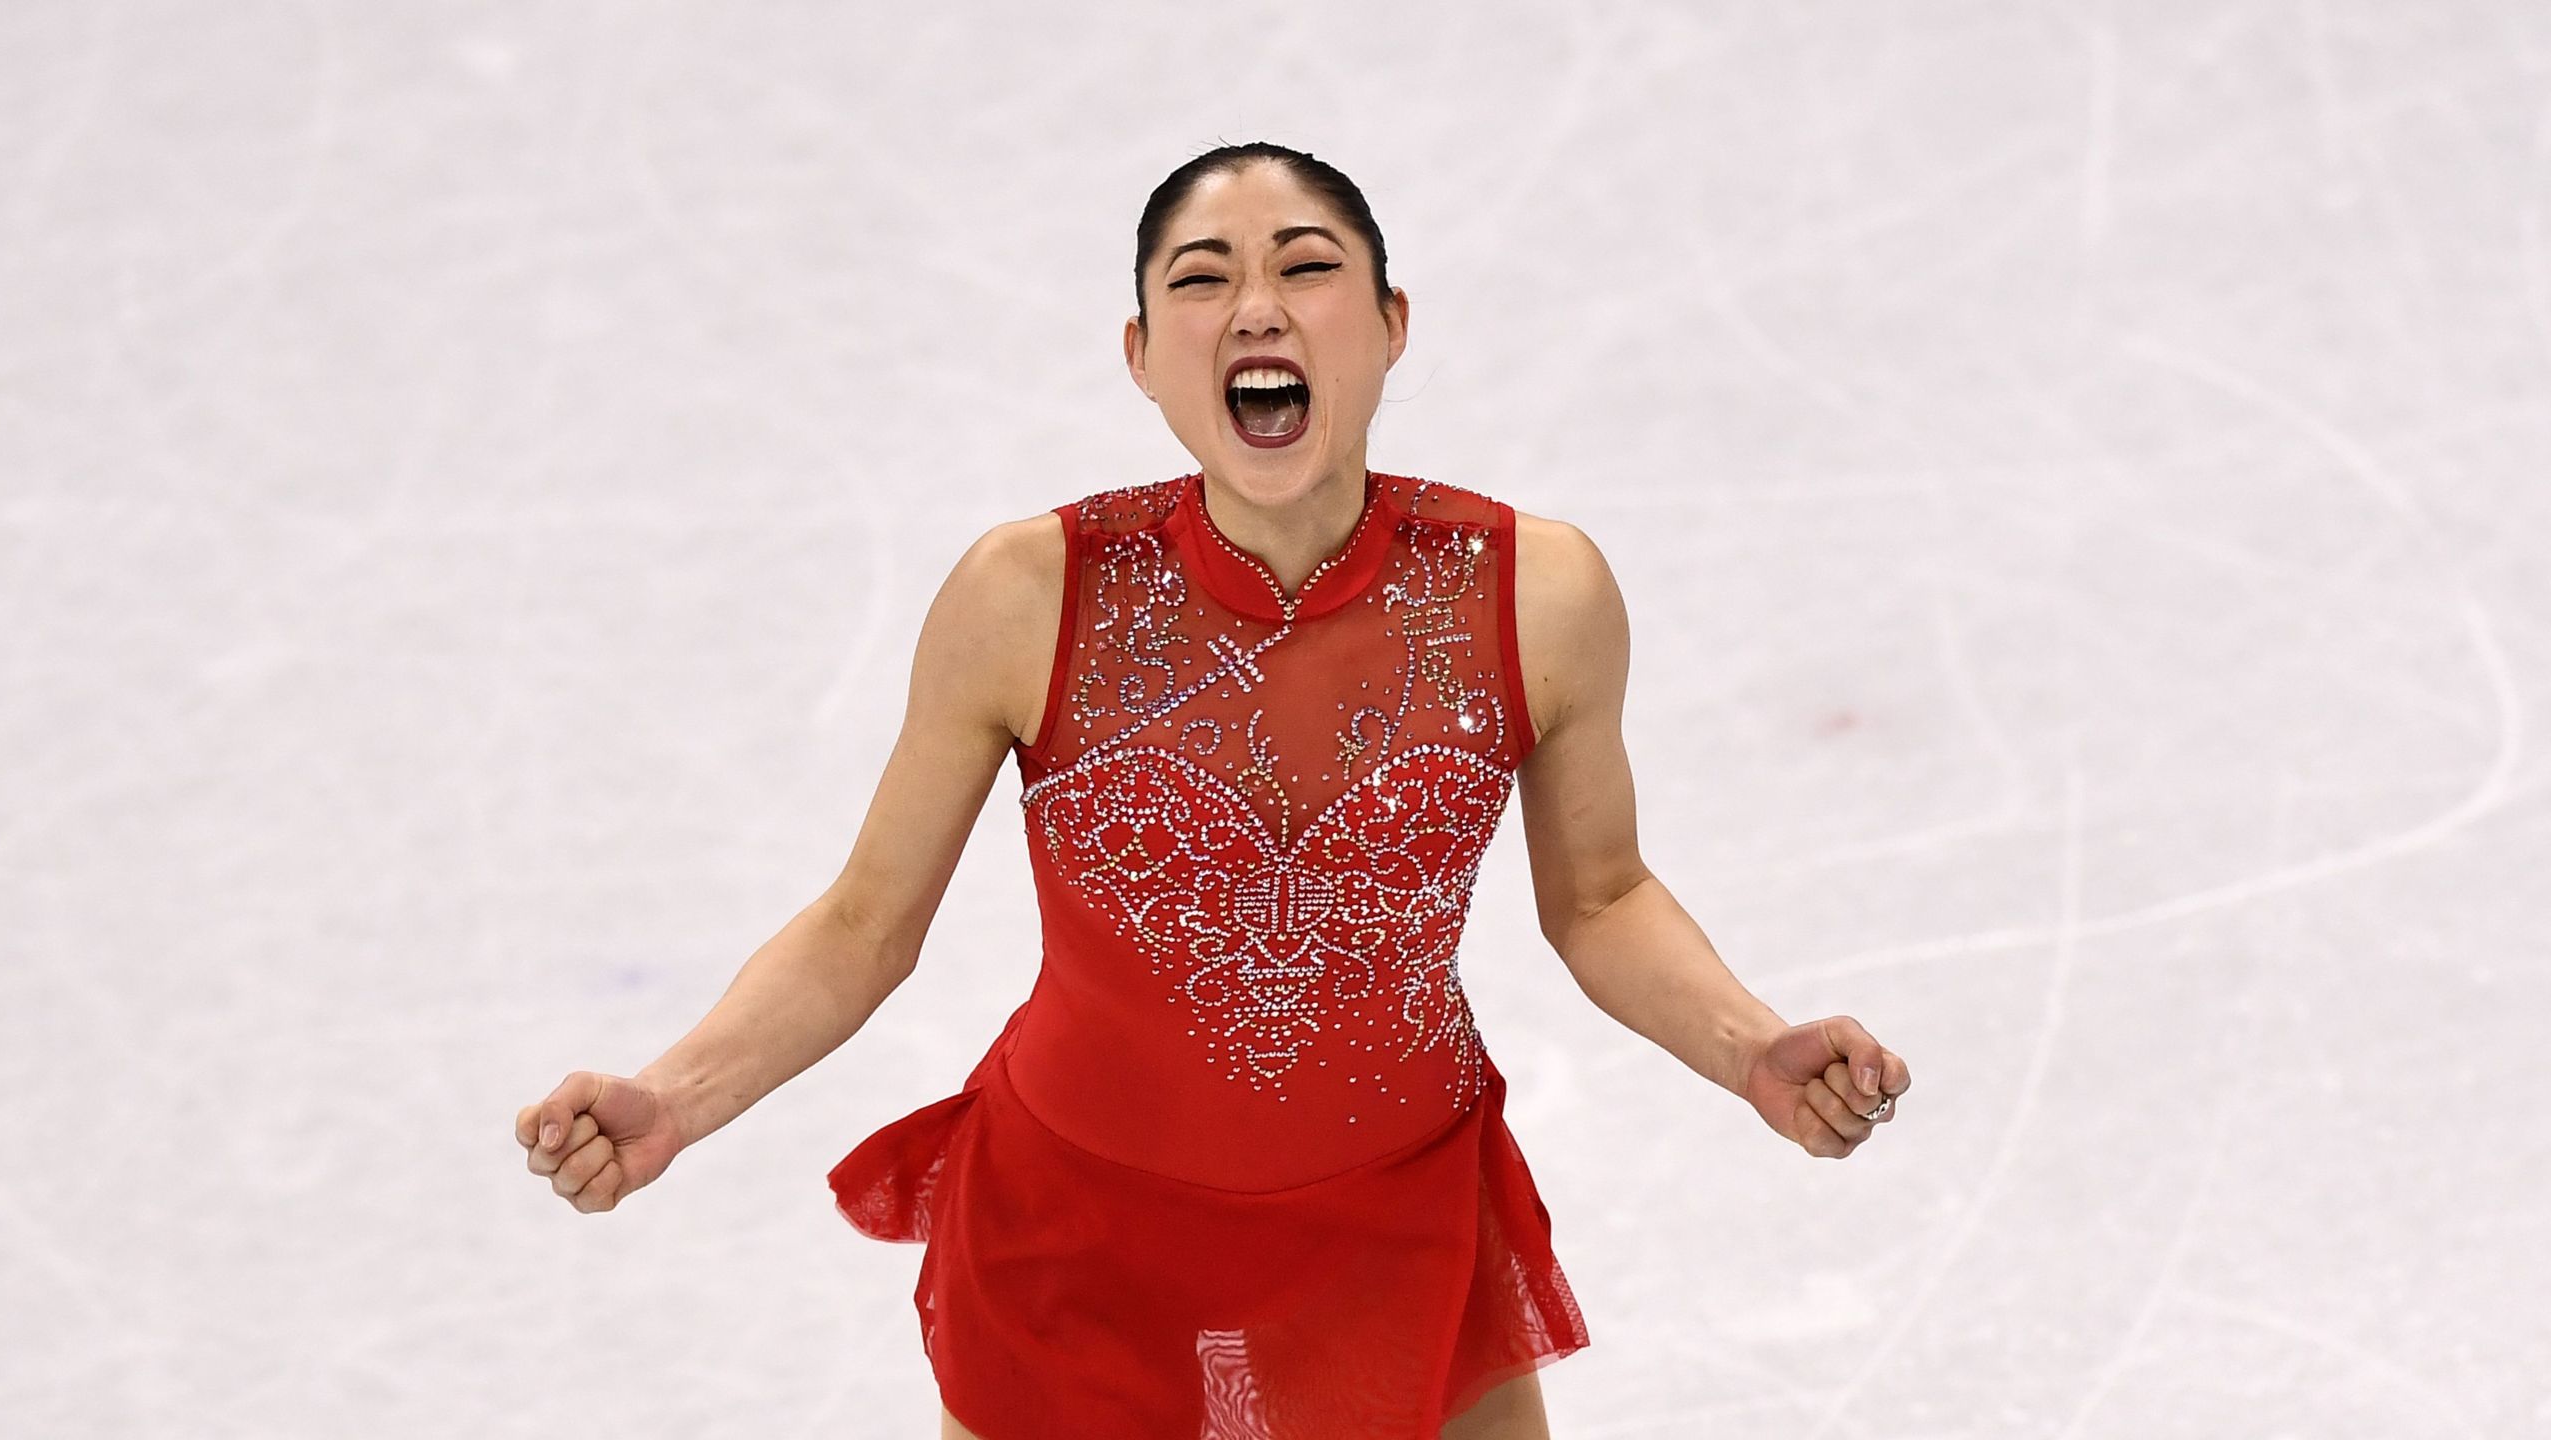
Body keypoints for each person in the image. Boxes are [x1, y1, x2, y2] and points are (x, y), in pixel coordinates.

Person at [514, 141, 1910, 1440]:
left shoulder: (1535, 593)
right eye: (1201, 279)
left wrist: (1749, 1047)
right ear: (1139, 354)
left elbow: (1601, 898)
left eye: (1305, 267)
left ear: (1391, 323)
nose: (1256, 306)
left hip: (1399, 1235)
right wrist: (676, 1098)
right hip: (1077, 1242)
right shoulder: (1029, 595)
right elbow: (864, 926)